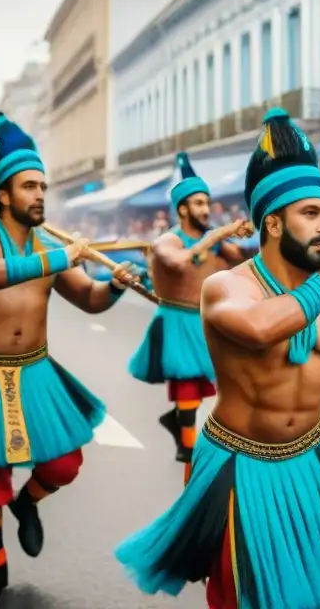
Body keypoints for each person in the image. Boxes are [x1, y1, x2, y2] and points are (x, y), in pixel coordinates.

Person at [115, 107, 320, 609]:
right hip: (241, 463)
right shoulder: (226, 287)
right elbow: (259, 329)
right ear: (272, 223)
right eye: (311, 214)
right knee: (248, 599)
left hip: (315, 456)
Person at [0, 112, 138, 608]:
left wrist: (116, 285)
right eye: (29, 186)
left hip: (36, 370)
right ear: (4, 194)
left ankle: (26, 503)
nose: (39, 195)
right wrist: (58, 258)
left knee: (64, 463)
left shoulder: (49, 246)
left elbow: (92, 300)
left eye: (42, 186)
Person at [129, 152, 245, 476]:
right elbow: (178, 263)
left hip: (206, 321)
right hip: (176, 320)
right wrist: (216, 237)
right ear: (182, 209)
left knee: (211, 385)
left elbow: (245, 262)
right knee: (187, 386)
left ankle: (178, 425)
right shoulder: (168, 239)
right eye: (198, 203)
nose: (206, 210)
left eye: (207, 203)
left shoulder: (217, 243)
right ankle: (189, 448)